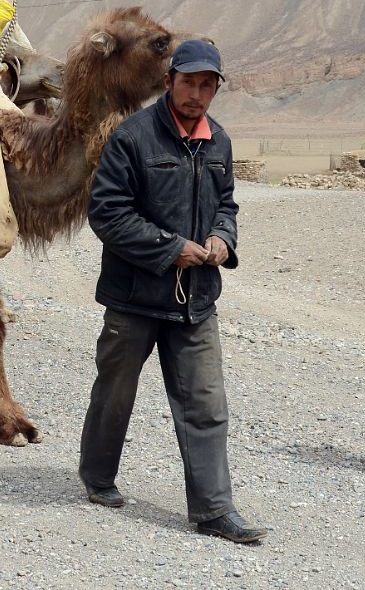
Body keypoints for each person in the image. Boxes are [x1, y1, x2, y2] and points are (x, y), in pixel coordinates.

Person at [79, 39, 267, 544]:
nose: (198, 94)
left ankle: (213, 511)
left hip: (197, 300)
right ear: (169, 82)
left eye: (209, 85)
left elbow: (226, 204)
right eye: (190, 82)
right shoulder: (132, 138)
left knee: (206, 403)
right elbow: (108, 214)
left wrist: (222, 239)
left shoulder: (219, 142)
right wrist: (170, 248)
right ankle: (97, 476)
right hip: (134, 298)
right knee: (115, 394)